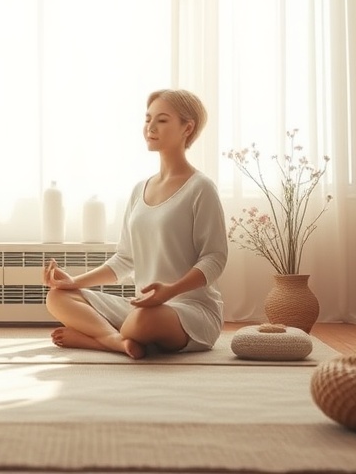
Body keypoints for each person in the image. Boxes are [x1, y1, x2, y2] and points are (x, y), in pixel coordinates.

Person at [43, 88, 227, 359]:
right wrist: (74, 283)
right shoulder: (139, 189)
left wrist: (170, 292)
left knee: (141, 321)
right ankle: (116, 341)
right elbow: (125, 259)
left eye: (162, 120)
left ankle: (97, 339)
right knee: (56, 298)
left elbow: (215, 258)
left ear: (187, 128)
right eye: (148, 119)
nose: (150, 127)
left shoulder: (201, 188)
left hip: (189, 311)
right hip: (142, 306)